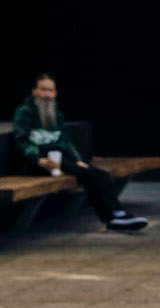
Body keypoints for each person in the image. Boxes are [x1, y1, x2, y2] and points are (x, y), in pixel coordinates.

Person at [10, 74, 147, 232]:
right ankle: (113, 216)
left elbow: (66, 141)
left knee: (99, 174)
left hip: (60, 160)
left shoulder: (56, 114)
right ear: (34, 91)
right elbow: (22, 141)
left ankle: (116, 215)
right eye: (43, 90)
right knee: (91, 175)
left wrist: (77, 159)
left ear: (55, 93)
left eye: (51, 90)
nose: (47, 94)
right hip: (38, 163)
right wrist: (37, 159)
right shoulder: (24, 113)